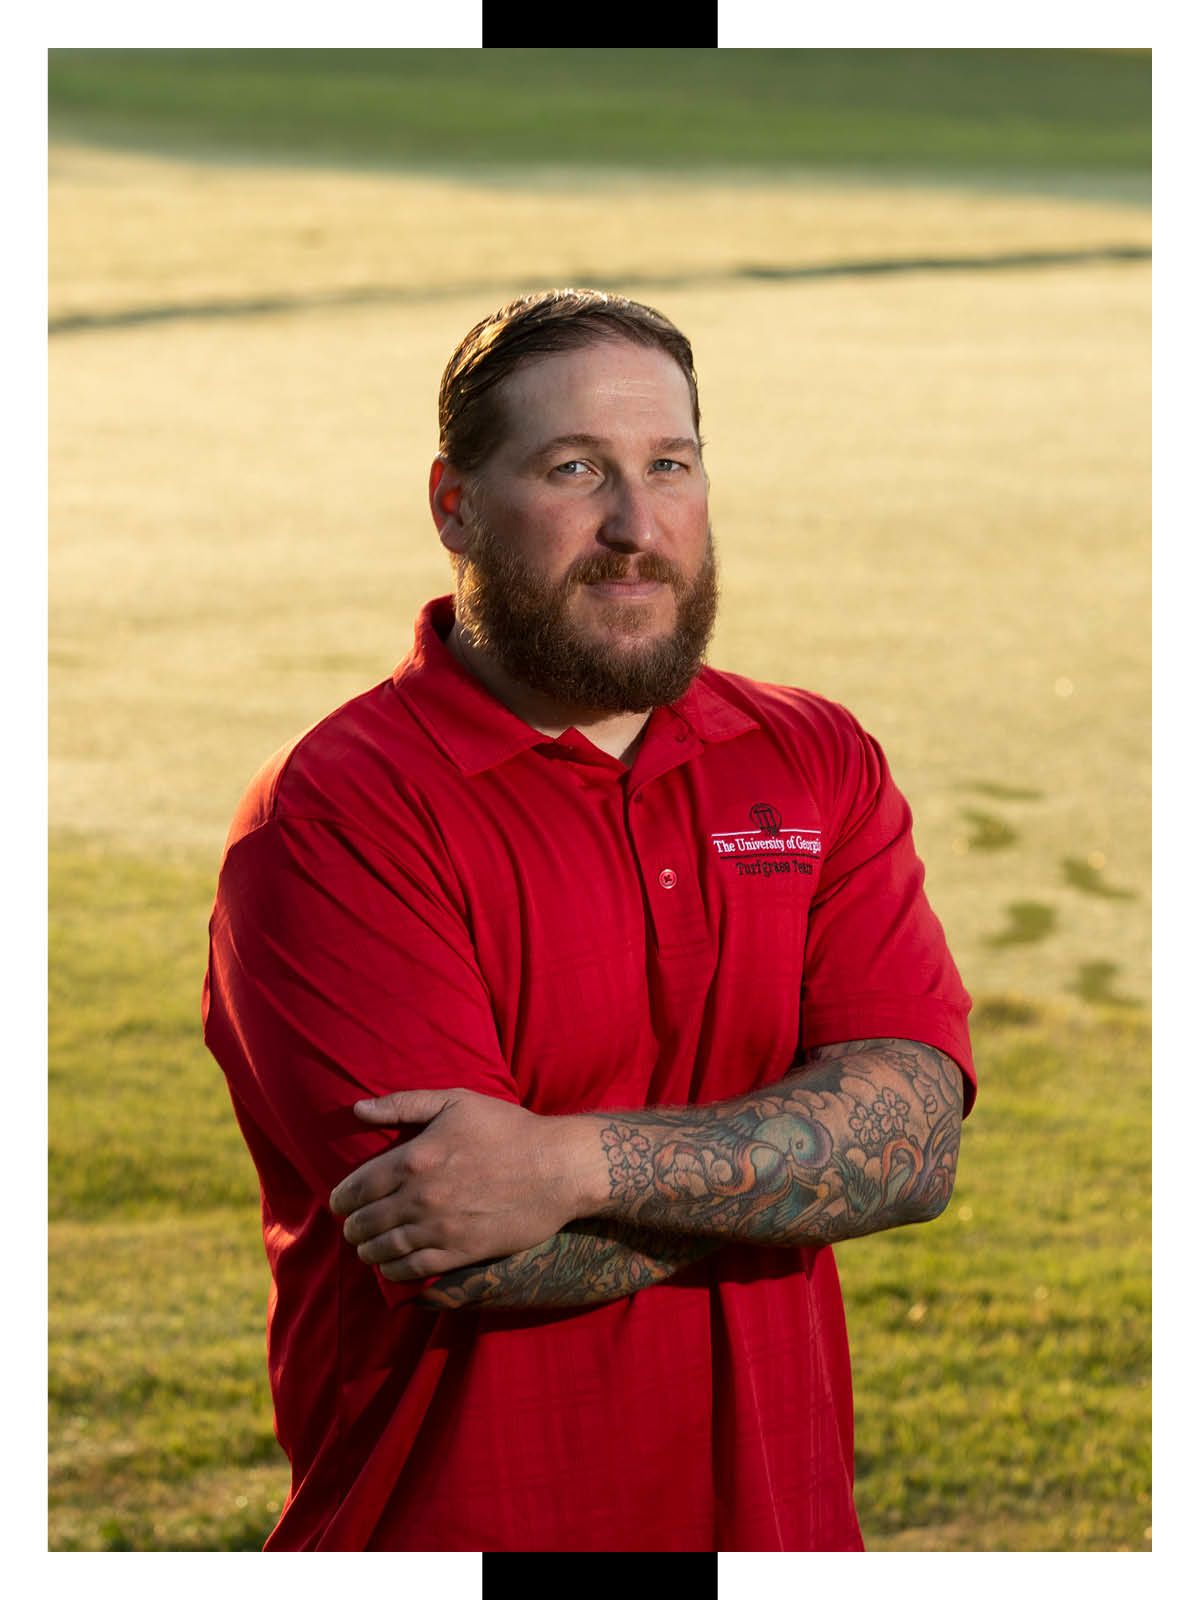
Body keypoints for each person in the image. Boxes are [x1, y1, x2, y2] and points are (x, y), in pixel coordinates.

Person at [202, 287, 975, 1554]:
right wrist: (802, 1166)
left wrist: (570, 1167)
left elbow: (913, 1147)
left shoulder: (815, 756)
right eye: (575, 470)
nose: (635, 525)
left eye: (670, 465)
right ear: (453, 503)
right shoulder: (334, 818)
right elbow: (472, 1255)